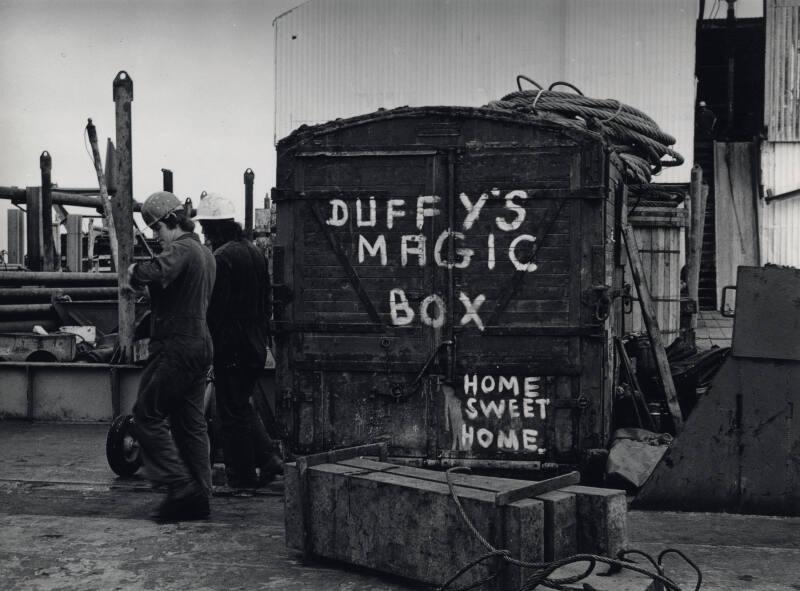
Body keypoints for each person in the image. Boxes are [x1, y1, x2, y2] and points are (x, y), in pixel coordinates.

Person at [127, 191, 216, 522]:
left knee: (146, 415)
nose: (157, 238)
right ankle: (200, 497)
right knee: (189, 424)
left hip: (177, 347)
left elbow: (155, 271)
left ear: (169, 221)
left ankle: (180, 488)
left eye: (157, 230)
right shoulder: (205, 253)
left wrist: (134, 272)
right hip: (200, 345)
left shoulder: (181, 249)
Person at [194, 192, 282, 489]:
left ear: (215, 227)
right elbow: (265, 301)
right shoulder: (255, 252)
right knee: (241, 405)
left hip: (232, 347)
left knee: (229, 414)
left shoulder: (222, 258)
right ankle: (268, 459)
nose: (204, 234)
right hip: (256, 345)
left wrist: (208, 342)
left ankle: (241, 477)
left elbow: (216, 311)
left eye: (206, 228)